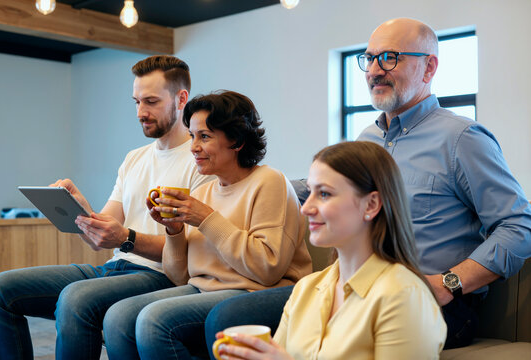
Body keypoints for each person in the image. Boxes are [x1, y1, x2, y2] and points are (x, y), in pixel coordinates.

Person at [205, 17, 531, 352]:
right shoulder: (369, 137)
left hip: (434, 299)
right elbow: (316, 187)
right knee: (229, 319)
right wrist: (243, 183)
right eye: (369, 58)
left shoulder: (462, 138)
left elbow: (518, 225)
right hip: (354, 284)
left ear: (429, 67)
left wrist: (450, 282)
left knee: (225, 318)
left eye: (390, 57)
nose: (374, 70)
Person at [0, 55, 213, 360]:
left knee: (75, 298)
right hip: (112, 268)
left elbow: (189, 254)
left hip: (159, 275)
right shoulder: (134, 158)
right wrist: (81, 210)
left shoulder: (200, 161)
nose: (140, 112)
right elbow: (103, 233)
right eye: (136, 101)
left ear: (181, 99)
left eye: (150, 101)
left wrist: (126, 238)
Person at [102, 90, 312, 360]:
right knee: (118, 317)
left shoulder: (269, 182)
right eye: (192, 136)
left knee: (153, 321)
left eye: (205, 136)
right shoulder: (203, 193)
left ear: (236, 140)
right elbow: (179, 276)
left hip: (256, 291)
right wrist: (174, 230)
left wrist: (205, 218)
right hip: (201, 288)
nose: (193, 147)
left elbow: (266, 269)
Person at [216, 141, 446, 359]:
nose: (306, 208)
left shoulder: (403, 295)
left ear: (371, 204)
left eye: (324, 193)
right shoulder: (306, 289)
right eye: (310, 192)